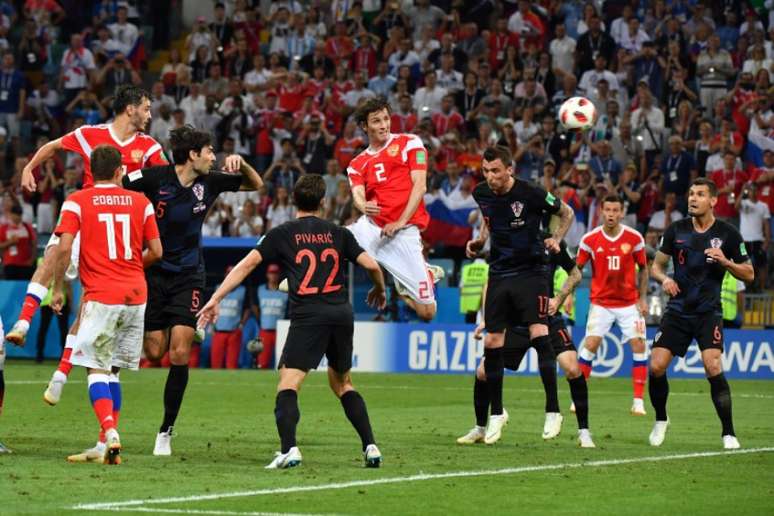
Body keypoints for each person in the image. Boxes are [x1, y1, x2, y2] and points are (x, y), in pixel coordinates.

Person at [197, 175, 388, 469]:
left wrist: (216, 297)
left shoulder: (283, 233)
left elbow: (247, 265)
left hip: (309, 314)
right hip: (340, 313)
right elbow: (372, 265)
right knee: (343, 384)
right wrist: (379, 288)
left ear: (294, 202)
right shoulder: (339, 233)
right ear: (323, 202)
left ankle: (289, 449)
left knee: (288, 382)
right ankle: (371, 446)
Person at [4, 86, 165, 413]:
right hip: (85, 218)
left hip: (114, 234)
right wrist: (28, 168)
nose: (149, 115)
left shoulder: (149, 147)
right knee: (51, 257)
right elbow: (52, 146)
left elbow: (167, 178)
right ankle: (23, 322)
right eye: (146, 108)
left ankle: (61, 374)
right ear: (130, 109)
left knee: (90, 307)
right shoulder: (90, 134)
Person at [122, 125, 262, 456]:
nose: (214, 156)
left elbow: (256, 184)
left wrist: (240, 164)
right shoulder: (154, 178)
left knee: (179, 353)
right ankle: (182, 325)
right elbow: (119, 186)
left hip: (189, 275)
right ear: (192, 155)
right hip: (155, 274)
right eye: (210, 151)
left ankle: (165, 432)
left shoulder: (210, 181)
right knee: (155, 351)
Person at [49, 145, 163, 464]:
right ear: (119, 171)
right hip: (136, 295)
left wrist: (58, 288)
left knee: (94, 367)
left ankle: (110, 432)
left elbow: (64, 247)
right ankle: (102, 447)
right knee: (112, 371)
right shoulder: (141, 202)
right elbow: (157, 250)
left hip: (102, 295)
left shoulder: (77, 201)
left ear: (91, 172)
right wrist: (130, 270)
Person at [465, 145, 574, 444]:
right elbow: (488, 220)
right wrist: (479, 241)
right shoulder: (481, 193)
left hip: (531, 271)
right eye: (486, 171)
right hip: (499, 271)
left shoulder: (532, 193)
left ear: (510, 169)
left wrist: (556, 238)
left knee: (539, 333)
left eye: (496, 171)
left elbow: (567, 212)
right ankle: (497, 413)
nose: (490, 177)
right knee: (492, 340)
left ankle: (553, 410)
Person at [649, 178, 753, 449]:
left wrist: (726, 261)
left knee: (713, 366)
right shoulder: (676, 230)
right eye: (691, 193)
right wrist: (665, 280)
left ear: (713, 200)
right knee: (656, 366)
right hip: (678, 311)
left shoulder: (729, 234)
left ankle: (728, 433)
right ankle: (661, 419)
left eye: (700, 194)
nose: (693, 199)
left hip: (708, 312)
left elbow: (750, 273)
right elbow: (656, 266)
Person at [457, 240, 593, 447]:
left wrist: (559, 298)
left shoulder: (551, 242)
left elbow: (575, 273)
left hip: (546, 320)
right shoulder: (509, 239)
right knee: (483, 372)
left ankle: (584, 432)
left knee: (572, 368)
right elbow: (491, 283)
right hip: (515, 323)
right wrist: (489, 318)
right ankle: (480, 428)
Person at [347, 97, 444, 322]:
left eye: (386, 119)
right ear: (364, 126)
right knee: (334, 238)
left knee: (427, 313)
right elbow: (358, 195)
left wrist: (400, 221)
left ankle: (421, 275)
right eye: (376, 121)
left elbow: (420, 186)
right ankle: (296, 280)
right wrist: (363, 206)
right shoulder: (357, 164)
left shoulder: (411, 143)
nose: (383, 125)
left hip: (404, 232)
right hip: (372, 229)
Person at [575, 195, 649, 415]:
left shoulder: (634, 238)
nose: (611, 214)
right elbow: (577, 269)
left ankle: (638, 401)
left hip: (628, 304)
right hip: (601, 302)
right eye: (608, 210)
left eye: (616, 210)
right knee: (591, 343)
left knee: (639, 345)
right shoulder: (589, 240)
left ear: (622, 213)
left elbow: (644, 268)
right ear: (601, 211)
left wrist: (642, 298)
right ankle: (578, 397)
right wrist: (568, 295)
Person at [209, 266, 252, 370]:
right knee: (215, 363)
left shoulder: (243, 290)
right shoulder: (217, 288)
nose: (230, 274)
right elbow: (211, 307)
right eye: (228, 272)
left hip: (234, 331)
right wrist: (211, 325)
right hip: (218, 330)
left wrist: (242, 324)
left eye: (232, 272)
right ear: (225, 275)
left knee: (232, 364)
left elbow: (247, 308)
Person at [734, 183, 770, 292]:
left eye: (754, 190)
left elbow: (766, 225)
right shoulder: (744, 203)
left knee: (762, 265)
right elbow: (736, 206)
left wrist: (766, 242)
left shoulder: (763, 206)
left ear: (757, 191)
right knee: (743, 265)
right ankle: (744, 291)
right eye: (750, 190)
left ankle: (761, 288)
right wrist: (742, 191)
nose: (753, 192)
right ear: (748, 192)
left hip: (758, 240)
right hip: (744, 241)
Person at [256, 264, 288, 369]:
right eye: (271, 273)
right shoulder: (260, 289)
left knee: (282, 361)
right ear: (267, 275)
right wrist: (260, 320)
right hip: (265, 329)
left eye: (275, 273)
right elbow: (255, 307)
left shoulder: (285, 291)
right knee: (263, 361)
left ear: (279, 275)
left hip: (281, 330)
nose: (273, 276)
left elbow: (289, 309)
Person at [0, 204, 36, 279]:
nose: (18, 217)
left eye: (19, 214)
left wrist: (31, 260)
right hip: (10, 265)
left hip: (26, 265)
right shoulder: (4, 228)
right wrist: (10, 242)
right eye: (16, 214)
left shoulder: (27, 227)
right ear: (11, 214)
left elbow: (34, 244)